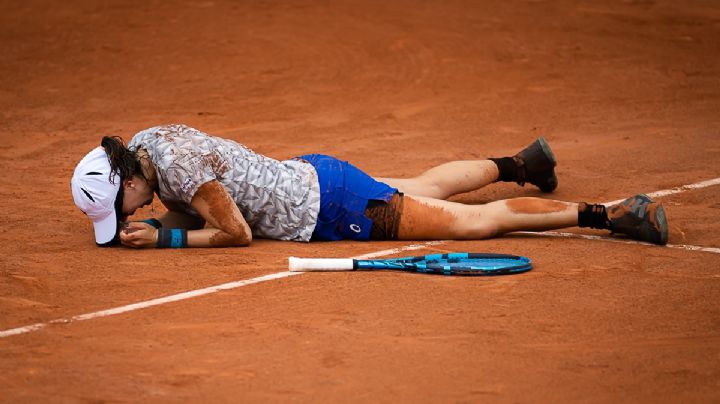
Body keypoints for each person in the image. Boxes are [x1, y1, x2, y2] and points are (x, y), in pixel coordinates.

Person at [70, 124, 668, 249]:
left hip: (332, 207)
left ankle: (613, 216)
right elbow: (191, 205)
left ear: (123, 178)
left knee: (475, 224)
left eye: (116, 208)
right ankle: (523, 163)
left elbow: (235, 232)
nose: (121, 214)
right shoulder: (145, 143)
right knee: (428, 186)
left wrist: (168, 240)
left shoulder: (174, 170)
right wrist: (154, 221)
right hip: (311, 174)